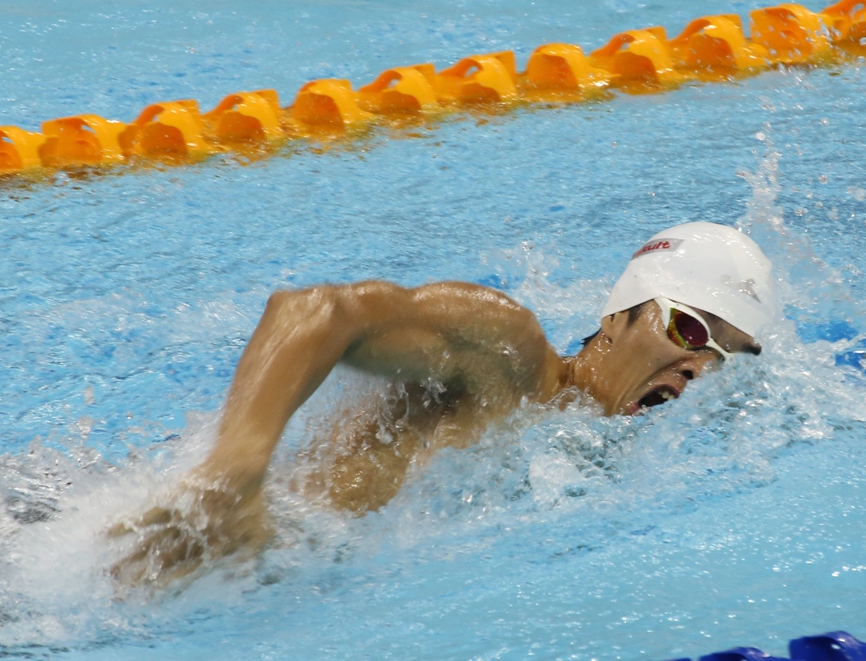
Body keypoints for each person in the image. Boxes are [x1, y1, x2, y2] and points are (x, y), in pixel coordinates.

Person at [109, 221, 778, 588]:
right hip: (187, 546)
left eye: (722, 359)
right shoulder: (508, 359)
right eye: (690, 331)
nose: (697, 369)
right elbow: (313, 312)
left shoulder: (615, 466)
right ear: (618, 314)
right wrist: (235, 471)